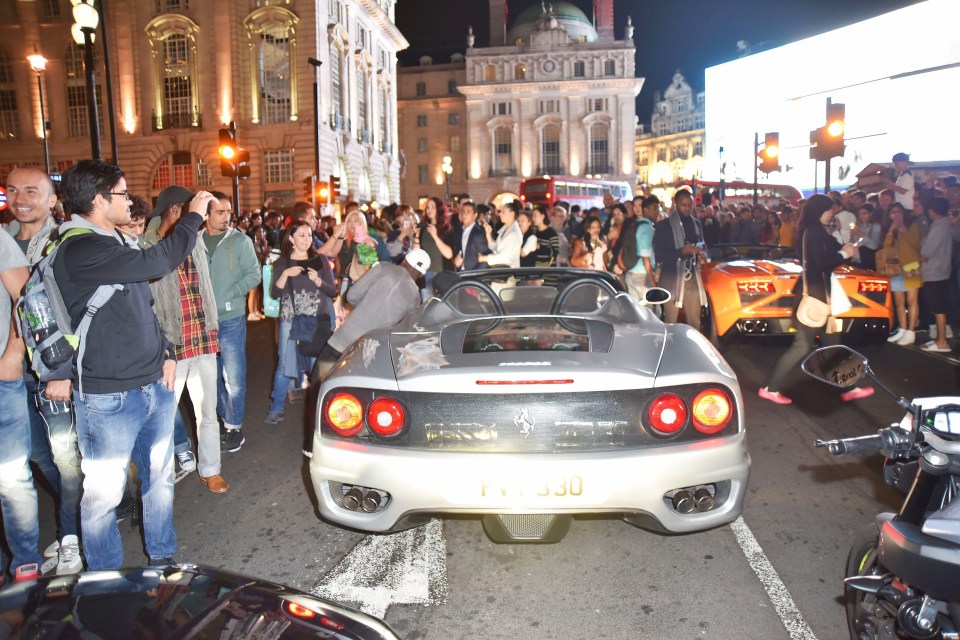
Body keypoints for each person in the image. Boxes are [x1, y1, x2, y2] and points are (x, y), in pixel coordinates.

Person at [50, 159, 215, 569]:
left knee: (159, 481)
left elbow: (145, 305)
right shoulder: (81, 248)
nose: (129, 200)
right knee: (104, 497)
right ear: (100, 200)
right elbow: (159, 263)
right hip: (108, 397)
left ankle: (161, 558)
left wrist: (167, 352)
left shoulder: (116, 242)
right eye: (122, 193)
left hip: (152, 387)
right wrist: (193, 217)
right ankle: (104, 578)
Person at [4, 168, 83, 575]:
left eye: (32, 191)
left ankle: (71, 537)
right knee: (36, 457)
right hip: (14, 375)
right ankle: (88, 504)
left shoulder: (64, 241)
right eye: (13, 190)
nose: (21, 198)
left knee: (65, 457)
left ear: (52, 200)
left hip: (53, 370)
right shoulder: (4, 240)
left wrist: (63, 372)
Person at [144, 186, 226, 491]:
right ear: (176, 210)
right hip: (171, 344)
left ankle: (211, 468)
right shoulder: (147, 246)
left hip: (202, 338)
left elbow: (203, 286)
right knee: (163, 417)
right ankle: (160, 478)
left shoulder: (194, 240)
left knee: (207, 411)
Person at [759, 194, 872, 405]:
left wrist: (841, 246)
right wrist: (843, 254)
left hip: (819, 293)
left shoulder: (809, 230)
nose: (831, 214)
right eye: (829, 211)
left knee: (832, 342)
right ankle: (769, 387)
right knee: (802, 345)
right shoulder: (815, 232)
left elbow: (825, 255)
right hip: (816, 294)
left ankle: (850, 386)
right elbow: (822, 262)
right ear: (821, 211)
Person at [201, 192, 262, 454]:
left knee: (234, 378)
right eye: (220, 212)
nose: (227, 217)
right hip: (203, 322)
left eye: (228, 212)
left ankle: (234, 426)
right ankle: (226, 418)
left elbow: (254, 274)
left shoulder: (240, 241)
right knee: (210, 379)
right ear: (206, 214)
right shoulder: (194, 242)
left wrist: (232, 293)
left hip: (231, 319)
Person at [265, 220, 336, 424]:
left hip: (316, 321)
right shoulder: (283, 264)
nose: (307, 239)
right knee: (284, 365)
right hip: (291, 321)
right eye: (302, 235)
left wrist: (318, 281)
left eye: (310, 235)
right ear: (292, 239)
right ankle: (276, 408)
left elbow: (332, 290)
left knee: (316, 367)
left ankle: (319, 412)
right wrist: (286, 274)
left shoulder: (320, 260)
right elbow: (275, 293)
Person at [0, 226, 41, 582]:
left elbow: (25, 295)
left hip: (2, 378)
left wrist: (13, 356)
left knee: (11, 476)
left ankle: (25, 562)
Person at [318, 249, 430, 373]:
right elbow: (403, 330)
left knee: (320, 380)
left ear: (405, 260)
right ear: (421, 274)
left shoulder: (383, 268)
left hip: (344, 338)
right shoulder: (415, 297)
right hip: (368, 352)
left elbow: (352, 296)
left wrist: (364, 306)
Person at [653, 190, 706, 330]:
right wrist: (682, 252)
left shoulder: (696, 224)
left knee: (695, 321)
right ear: (675, 204)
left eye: (690, 205)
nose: (687, 208)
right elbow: (659, 256)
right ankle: (670, 349)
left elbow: (703, 244)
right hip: (672, 277)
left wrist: (702, 253)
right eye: (684, 205)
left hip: (692, 276)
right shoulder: (663, 226)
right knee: (671, 321)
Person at [918, 197, 953, 352]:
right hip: (941, 271)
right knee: (939, 308)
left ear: (933, 211)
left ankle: (941, 342)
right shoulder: (946, 224)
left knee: (938, 309)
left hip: (935, 272)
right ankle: (940, 340)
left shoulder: (939, 227)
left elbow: (926, 253)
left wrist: (917, 260)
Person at [884, 203, 923, 346]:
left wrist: (902, 229)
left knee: (912, 301)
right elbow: (886, 246)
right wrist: (890, 231)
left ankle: (911, 331)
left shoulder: (912, 226)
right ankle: (902, 328)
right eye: (893, 212)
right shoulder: (889, 228)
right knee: (899, 302)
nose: (896, 215)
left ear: (903, 213)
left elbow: (916, 244)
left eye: (899, 212)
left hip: (911, 267)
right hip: (894, 269)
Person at [413, 199, 454, 299]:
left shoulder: (446, 228)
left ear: (439, 209)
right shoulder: (424, 228)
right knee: (427, 305)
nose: (429, 209)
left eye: (432, 207)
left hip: (442, 274)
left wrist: (435, 236)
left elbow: (449, 254)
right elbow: (416, 252)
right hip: (426, 273)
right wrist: (416, 235)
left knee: (442, 304)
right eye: (427, 207)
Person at [623, 196, 659, 300]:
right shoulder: (647, 227)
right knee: (650, 312)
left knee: (637, 312)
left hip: (630, 272)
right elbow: (645, 258)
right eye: (654, 209)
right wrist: (653, 281)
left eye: (658, 209)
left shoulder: (635, 223)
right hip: (642, 276)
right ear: (646, 210)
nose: (657, 212)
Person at [478, 200, 522, 269]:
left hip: (509, 272)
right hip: (500, 270)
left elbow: (504, 257)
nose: (500, 214)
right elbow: (496, 248)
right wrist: (488, 234)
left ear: (512, 214)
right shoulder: (505, 229)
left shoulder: (514, 233)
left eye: (503, 212)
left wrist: (484, 258)